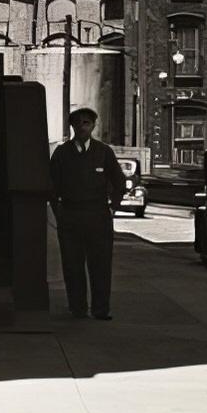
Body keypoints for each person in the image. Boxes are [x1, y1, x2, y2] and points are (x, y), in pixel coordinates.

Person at [49, 105, 125, 320]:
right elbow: (51, 184)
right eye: (78, 122)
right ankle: (78, 307)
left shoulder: (103, 152)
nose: (82, 127)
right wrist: (58, 211)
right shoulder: (62, 153)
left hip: (98, 214)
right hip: (71, 214)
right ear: (72, 125)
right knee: (72, 264)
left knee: (100, 264)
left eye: (86, 123)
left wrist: (112, 207)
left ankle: (101, 309)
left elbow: (119, 181)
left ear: (93, 126)